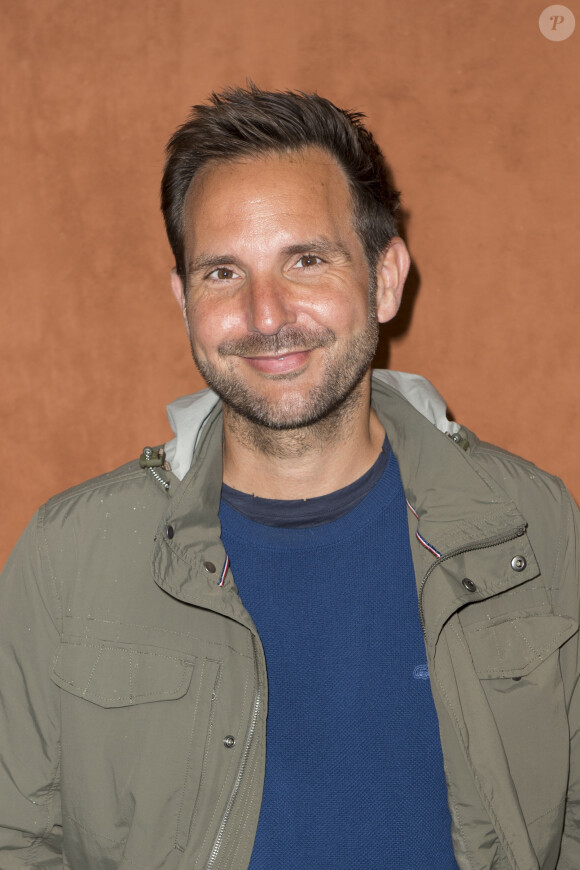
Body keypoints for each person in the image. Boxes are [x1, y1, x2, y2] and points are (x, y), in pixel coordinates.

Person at [0, 85, 578, 870]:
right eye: (222, 273)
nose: (265, 314)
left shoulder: (534, 527)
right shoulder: (69, 556)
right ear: (183, 300)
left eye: (306, 260)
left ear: (385, 276)